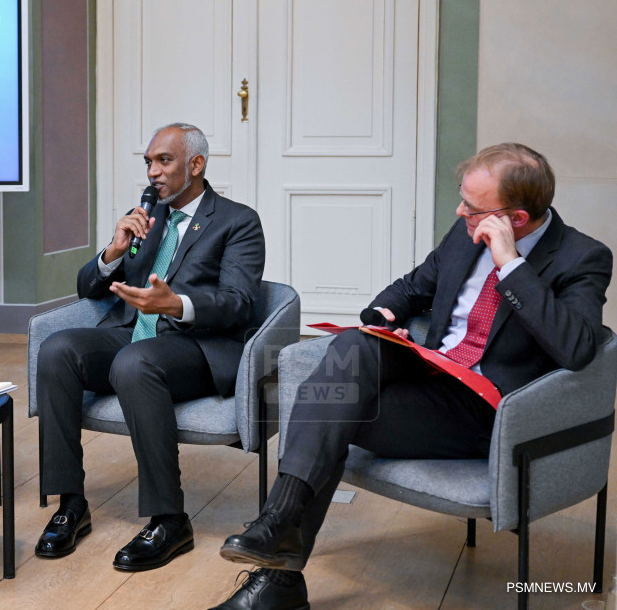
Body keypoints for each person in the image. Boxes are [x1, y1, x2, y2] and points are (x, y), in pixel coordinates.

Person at [211, 143, 613, 609]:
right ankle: (277, 527)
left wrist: (511, 265)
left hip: (489, 414)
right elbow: (412, 287)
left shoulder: (582, 257)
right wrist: (382, 316)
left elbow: (578, 347)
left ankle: (278, 574)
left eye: (473, 207)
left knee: (327, 408)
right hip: (432, 375)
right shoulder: (464, 233)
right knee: (353, 348)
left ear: (515, 219)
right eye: (462, 198)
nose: (460, 212)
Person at [34, 123, 266, 571]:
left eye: (164, 161)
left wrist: (177, 304)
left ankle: (169, 519)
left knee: (134, 363)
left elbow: (238, 304)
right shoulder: (144, 218)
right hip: (133, 333)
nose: (152, 172)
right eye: (148, 162)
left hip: (193, 346)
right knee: (58, 349)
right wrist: (113, 251)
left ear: (195, 165)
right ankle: (70, 503)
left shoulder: (237, 221)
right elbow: (87, 288)